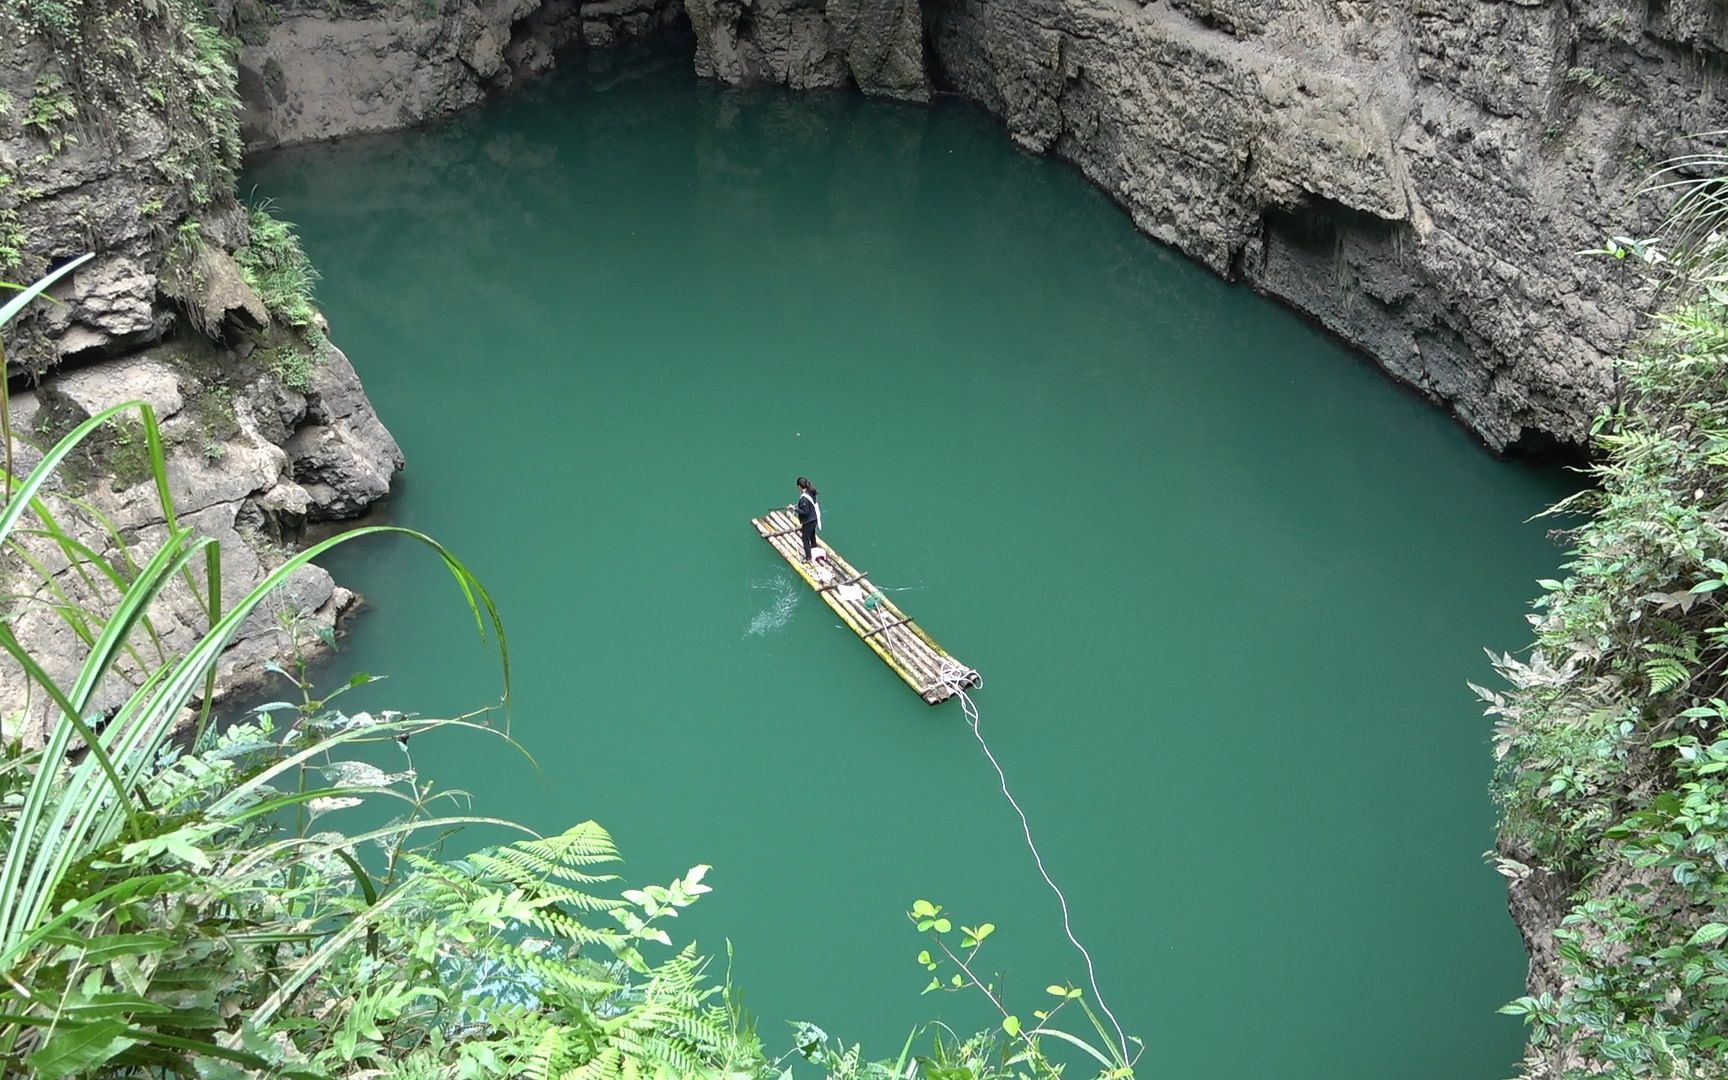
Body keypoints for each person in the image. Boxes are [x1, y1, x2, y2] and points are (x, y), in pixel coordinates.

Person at [792, 476, 822, 562]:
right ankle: (814, 547)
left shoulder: (804, 498)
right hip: (814, 518)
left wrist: (794, 509)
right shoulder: (811, 492)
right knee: (812, 535)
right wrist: (797, 506)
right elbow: (810, 504)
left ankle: (808, 557)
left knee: (805, 539)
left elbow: (805, 512)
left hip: (808, 521)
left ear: (799, 487)